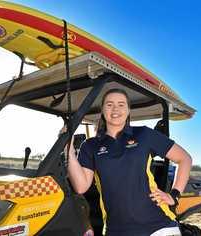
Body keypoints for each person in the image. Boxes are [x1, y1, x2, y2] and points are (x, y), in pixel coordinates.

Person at [66, 88, 192, 236]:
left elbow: (185, 159)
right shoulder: (90, 145)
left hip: (158, 226)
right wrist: (68, 149)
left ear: (128, 110)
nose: (115, 109)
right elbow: (80, 187)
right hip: (116, 230)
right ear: (103, 110)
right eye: (109, 104)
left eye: (121, 104)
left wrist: (174, 195)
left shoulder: (144, 134)